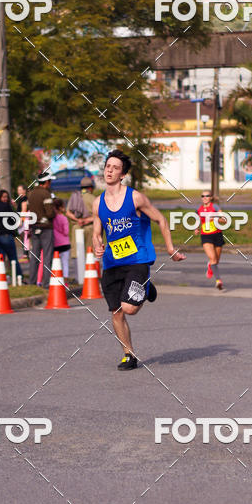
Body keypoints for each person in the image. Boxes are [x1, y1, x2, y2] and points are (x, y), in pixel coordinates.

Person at [93, 150, 185, 371]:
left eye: (115, 168)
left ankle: (144, 287)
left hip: (137, 260)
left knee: (130, 308)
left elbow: (161, 219)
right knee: (116, 312)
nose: (110, 170)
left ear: (122, 174)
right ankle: (129, 355)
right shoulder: (97, 202)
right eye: (108, 166)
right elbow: (97, 231)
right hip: (112, 262)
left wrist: (171, 249)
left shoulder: (135, 197)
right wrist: (97, 244)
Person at [27, 171, 56, 287]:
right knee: (47, 256)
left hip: (34, 227)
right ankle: (46, 283)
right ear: (47, 182)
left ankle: (32, 282)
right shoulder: (46, 194)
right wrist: (53, 214)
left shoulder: (31, 194)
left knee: (34, 256)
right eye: (50, 181)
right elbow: (49, 213)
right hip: (46, 227)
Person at [197, 190, 224, 290]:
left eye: (207, 196)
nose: (204, 197)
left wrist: (215, 217)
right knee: (212, 258)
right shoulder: (199, 209)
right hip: (206, 236)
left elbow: (224, 220)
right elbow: (198, 223)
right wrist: (196, 229)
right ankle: (218, 281)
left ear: (211, 197)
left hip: (217, 235)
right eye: (202, 196)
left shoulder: (215, 207)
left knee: (216, 260)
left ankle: (210, 266)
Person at [67, 176, 96, 259]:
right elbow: (98, 216)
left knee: (78, 255)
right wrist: (86, 220)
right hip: (90, 228)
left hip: (76, 227)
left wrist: (78, 220)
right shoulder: (93, 198)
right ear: (90, 188)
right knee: (89, 255)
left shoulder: (74, 196)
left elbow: (68, 213)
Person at [53, 198, 71, 279]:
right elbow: (66, 232)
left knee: (55, 263)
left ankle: (56, 277)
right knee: (65, 263)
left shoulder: (52, 218)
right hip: (65, 243)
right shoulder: (64, 218)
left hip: (55, 243)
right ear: (60, 207)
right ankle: (65, 278)